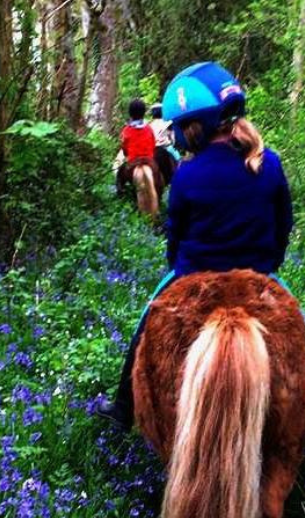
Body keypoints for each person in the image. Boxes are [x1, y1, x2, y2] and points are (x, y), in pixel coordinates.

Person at [96, 61, 294, 431]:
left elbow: (176, 236)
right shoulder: (271, 164)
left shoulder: (187, 174)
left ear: (196, 126)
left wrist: (178, 267)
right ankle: (302, 412)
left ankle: (123, 407)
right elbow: (284, 225)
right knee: (299, 332)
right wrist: (270, 264)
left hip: (194, 276)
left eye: (180, 127)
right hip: (259, 275)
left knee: (144, 325)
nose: (177, 135)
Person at [116, 99, 155, 196]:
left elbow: (124, 149)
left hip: (133, 161)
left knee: (120, 172)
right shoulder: (149, 128)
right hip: (149, 161)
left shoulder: (127, 130)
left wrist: (126, 153)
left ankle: (120, 193)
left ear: (130, 114)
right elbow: (153, 144)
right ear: (144, 113)